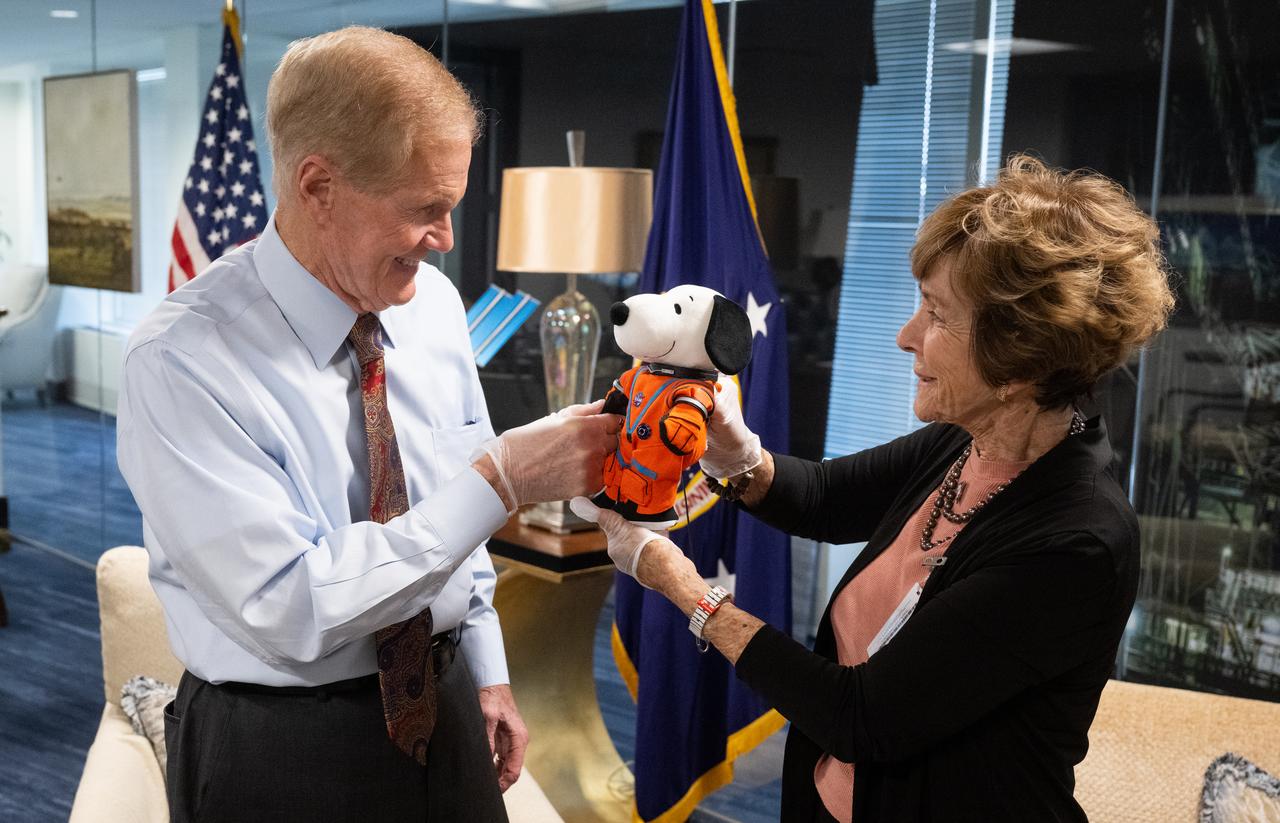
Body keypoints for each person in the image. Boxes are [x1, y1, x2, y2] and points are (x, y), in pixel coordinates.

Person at [117, 26, 618, 823]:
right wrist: (508, 477)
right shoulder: (180, 362)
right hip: (282, 747)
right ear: (318, 186)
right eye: (426, 208)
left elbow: (454, 522)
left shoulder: (436, 307)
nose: (447, 238)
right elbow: (295, 607)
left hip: (449, 705)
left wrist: (485, 667)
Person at [580, 155, 1175, 822]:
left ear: (1021, 358)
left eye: (937, 315)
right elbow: (831, 497)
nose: (905, 337)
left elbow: (858, 714)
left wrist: (683, 588)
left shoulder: (1075, 542)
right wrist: (734, 453)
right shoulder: (968, 438)